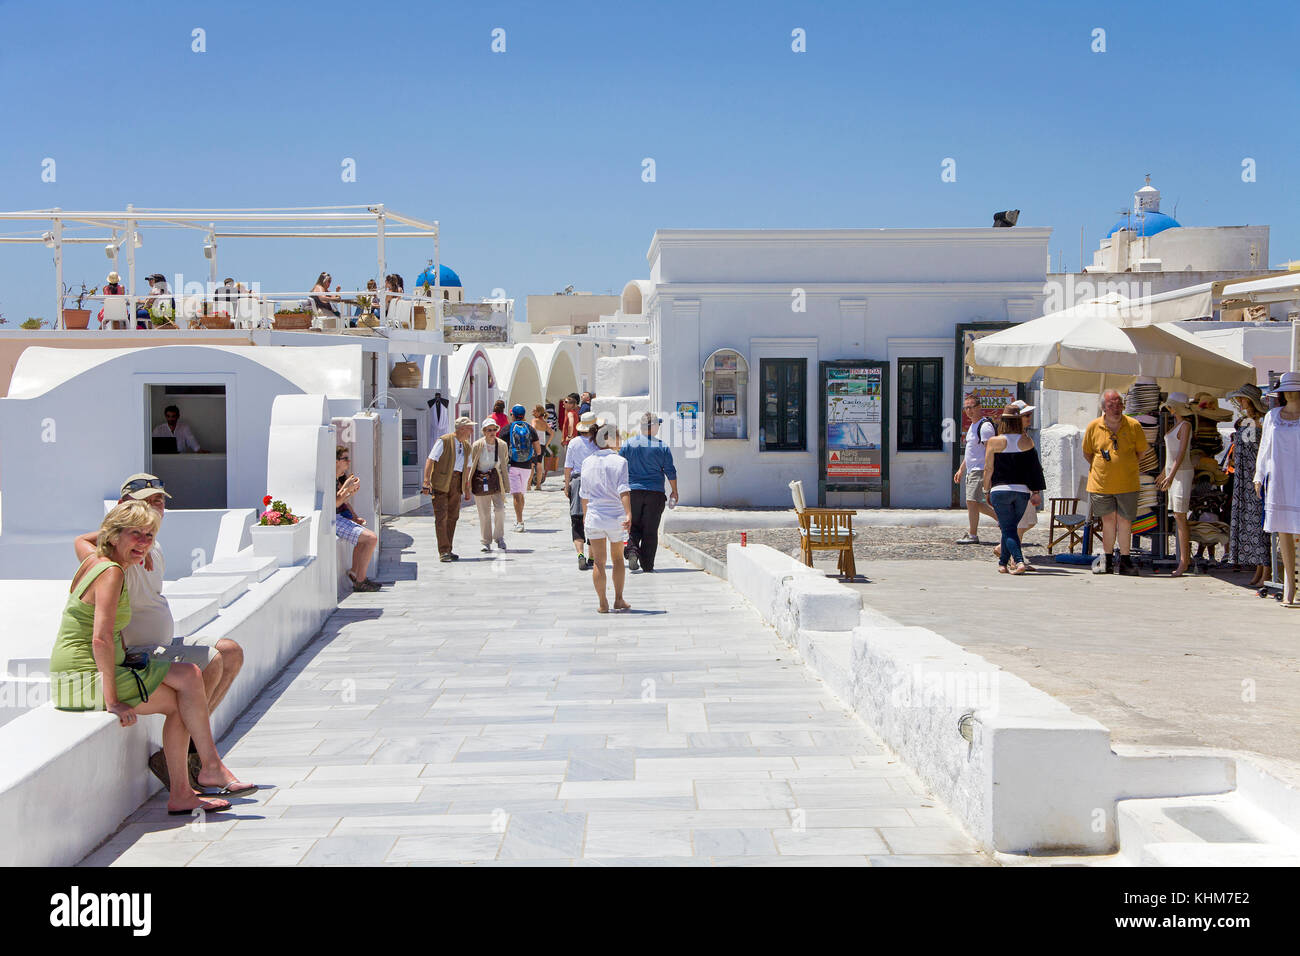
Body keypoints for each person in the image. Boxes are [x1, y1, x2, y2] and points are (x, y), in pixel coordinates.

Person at [50, 501, 254, 815]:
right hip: (83, 675)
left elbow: (85, 543)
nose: (144, 543)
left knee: (189, 676)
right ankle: (196, 780)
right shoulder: (112, 572)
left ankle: (204, 771)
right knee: (183, 703)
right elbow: (101, 638)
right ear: (114, 535)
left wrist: (130, 543)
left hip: (77, 670)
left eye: (150, 535)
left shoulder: (95, 559)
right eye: (136, 535)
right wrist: (113, 700)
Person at [1084, 389, 1150, 575]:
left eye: (1118, 404)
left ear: (1123, 405)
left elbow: (1141, 451)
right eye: (1111, 405)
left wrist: (1125, 465)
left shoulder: (1134, 425)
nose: (1115, 408)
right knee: (1108, 521)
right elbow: (1088, 453)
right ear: (1103, 408)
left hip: (1127, 483)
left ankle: (1125, 561)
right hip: (1101, 484)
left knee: (1125, 521)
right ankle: (1107, 559)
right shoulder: (1093, 426)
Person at [983, 404, 1046, 576]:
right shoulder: (1027, 441)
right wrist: (1036, 492)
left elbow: (988, 468)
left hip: (1000, 490)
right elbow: (1034, 469)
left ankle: (1018, 562)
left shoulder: (994, 442)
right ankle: (1002, 563)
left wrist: (985, 489)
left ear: (1002, 421)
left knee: (1008, 529)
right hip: (1022, 492)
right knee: (1010, 527)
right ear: (1019, 422)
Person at [1256, 371, 1300, 605]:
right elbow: (1264, 448)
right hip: (1280, 478)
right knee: (1283, 530)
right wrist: (1258, 475)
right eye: (1287, 388)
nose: (1291, 392)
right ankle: (1290, 586)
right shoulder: (1272, 416)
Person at [580, 421, 633, 612]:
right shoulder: (620, 461)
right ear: (609, 438)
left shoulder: (587, 462)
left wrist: (586, 517)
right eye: (618, 435)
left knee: (599, 562)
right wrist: (628, 513)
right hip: (615, 516)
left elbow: (584, 495)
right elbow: (623, 490)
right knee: (618, 559)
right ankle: (618, 599)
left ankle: (603, 603)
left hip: (594, 516)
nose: (620, 439)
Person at [620, 411, 679, 572]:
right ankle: (647, 565)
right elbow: (670, 471)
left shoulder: (627, 444)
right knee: (650, 530)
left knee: (633, 526)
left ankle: (632, 551)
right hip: (655, 493)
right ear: (653, 427)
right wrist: (674, 491)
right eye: (658, 425)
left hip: (632, 492)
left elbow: (620, 467)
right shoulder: (662, 447)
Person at [1226, 383, 1270, 587]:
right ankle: (1260, 568)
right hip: (1244, 477)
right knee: (1252, 526)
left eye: (1243, 398)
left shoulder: (1258, 423)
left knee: (1259, 525)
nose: (1241, 402)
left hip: (1253, 477)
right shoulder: (1247, 422)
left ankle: (1265, 569)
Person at [422, 416, 474, 562]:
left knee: (453, 516)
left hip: (457, 483)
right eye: (469, 427)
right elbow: (431, 459)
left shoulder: (466, 446)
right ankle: (443, 550)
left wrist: (467, 487)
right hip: (442, 482)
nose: (471, 430)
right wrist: (426, 481)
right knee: (441, 516)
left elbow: (467, 467)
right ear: (462, 428)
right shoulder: (444, 441)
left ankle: (448, 548)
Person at [1156, 394, 1196, 577]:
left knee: (1180, 516)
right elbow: (1172, 456)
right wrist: (1165, 473)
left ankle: (1184, 561)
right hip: (1174, 473)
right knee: (1178, 517)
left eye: (1171, 407)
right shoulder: (1176, 426)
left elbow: (1181, 454)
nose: (1169, 410)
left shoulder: (1185, 425)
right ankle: (1183, 559)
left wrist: (1170, 475)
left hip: (1182, 473)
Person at [954, 394, 998, 544]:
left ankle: (973, 534)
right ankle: (1000, 519)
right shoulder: (973, 426)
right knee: (974, 502)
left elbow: (989, 450)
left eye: (971, 407)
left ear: (979, 407)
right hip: (972, 470)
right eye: (966, 408)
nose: (969, 411)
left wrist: (988, 471)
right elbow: (971, 451)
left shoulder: (984, 426)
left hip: (980, 469)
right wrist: (961, 469)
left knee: (972, 501)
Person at [335, 446, 380, 591]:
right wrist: (347, 488)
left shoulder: (337, 479)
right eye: (345, 459)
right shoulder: (330, 478)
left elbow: (343, 501)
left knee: (363, 539)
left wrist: (350, 492)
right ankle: (360, 581)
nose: (348, 461)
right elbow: (334, 503)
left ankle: (356, 573)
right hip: (333, 520)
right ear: (336, 461)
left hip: (338, 518)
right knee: (371, 538)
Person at [465, 419, 509, 552]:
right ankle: (485, 541)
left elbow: (504, 462)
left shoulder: (502, 445)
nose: (492, 432)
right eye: (489, 430)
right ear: (484, 431)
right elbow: (471, 463)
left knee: (500, 510)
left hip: (496, 481)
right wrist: (468, 483)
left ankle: (499, 537)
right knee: (484, 513)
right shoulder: (478, 445)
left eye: (494, 429)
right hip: (481, 481)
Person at [564, 413, 600, 569]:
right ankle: (592, 557)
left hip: (577, 481)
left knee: (577, 519)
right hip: (595, 481)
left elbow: (568, 467)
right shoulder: (598, 442)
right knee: (593, 519)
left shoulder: (574, 443)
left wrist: (567, 485)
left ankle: (580, 554)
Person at [504, 404, 541, 531]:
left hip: (513, 465)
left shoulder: (508, 428)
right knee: (521, 494)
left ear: (512, 415)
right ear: (524, 415)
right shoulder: (530, 428)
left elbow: (499, 446)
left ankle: (519, 522)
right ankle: (520, 519)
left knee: (516, 495)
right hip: (527, 466)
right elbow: (539, 450)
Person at [529, 404, 554, 490]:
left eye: (534, 410)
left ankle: (528, 485)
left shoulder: (534, 420)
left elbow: (532, 430)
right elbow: (552, 433)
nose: (533, 410)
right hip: (542, 445)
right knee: (539, 464)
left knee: (532, 464)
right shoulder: (544, 423)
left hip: (534, 444)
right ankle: (538, 485)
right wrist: (547, 444)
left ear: (539, 412)